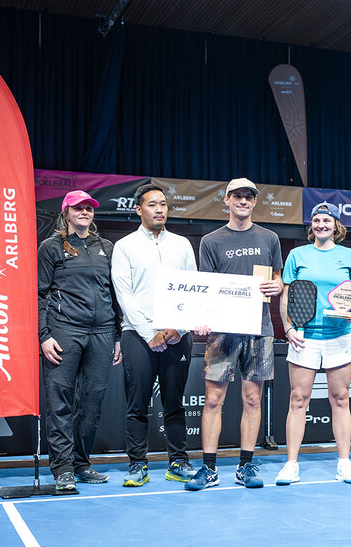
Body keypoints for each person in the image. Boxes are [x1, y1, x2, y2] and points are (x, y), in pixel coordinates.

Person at [185, 178, 284, 490]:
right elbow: (205, 287)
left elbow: (278, 277)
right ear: (226, 200)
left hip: (259, 330)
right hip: (223, 332)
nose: (243, 201)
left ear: (254, 202)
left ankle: (246, 466)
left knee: (252, 398)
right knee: (214, 399)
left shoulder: (270, 238)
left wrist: (277, 285)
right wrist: (203, 318)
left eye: (248, 197)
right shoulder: (211, 241)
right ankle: (209, 469)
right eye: (237, 196)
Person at [111, 184, 198, 487]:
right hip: (138, 336)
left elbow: (193, 289)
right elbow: (124, 295)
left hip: (177, 335)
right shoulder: (124, 246)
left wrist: (179, 328)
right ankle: (137, 465)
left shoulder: (182, 244)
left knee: (174, 403)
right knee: (137, 406)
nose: (159, 209)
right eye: (152, 204)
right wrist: (150, 333)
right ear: (139, 210)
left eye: (163, 204)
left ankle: (178, 462)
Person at [37, 190, 122, 492]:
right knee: (60, 403)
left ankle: (81, 464)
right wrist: (44, 335)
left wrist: (117, 336)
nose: (85, 212)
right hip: (64, 331)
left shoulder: (106, 247)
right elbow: (39, 294)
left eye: (89, 208)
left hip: (102, 333)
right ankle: (62, 469)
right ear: (66, 213)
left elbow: (114, 295)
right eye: (78, 208)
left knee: (91, 402)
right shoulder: (51, 247)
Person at [276, 202, 351, 485]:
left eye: (326, 220)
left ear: (336, 225)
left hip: (339, 336)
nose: (321, 225)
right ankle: (291, 464)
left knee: (340, 399)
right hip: (305, 337)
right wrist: (289, 328)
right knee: (298, 399)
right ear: (311, 225)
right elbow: (286, 296)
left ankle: (344, 463)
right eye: (316, 220)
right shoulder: (297, 255)